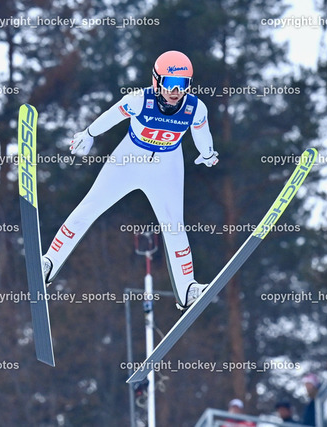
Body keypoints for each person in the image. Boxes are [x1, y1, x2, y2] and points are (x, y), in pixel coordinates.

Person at [40, 50, 218, 311]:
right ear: (157, 81)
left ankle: (187, 289)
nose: (175, 91)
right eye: (170, 84)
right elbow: (112, 116)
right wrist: (89, 134)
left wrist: (208, 153)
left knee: (174, 226)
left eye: (183, 85)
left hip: (166, 167)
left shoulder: (195, 107)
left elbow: (202, 133)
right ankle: (49, 263)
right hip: (128, 162)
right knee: (88, 208)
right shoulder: (139, 100)